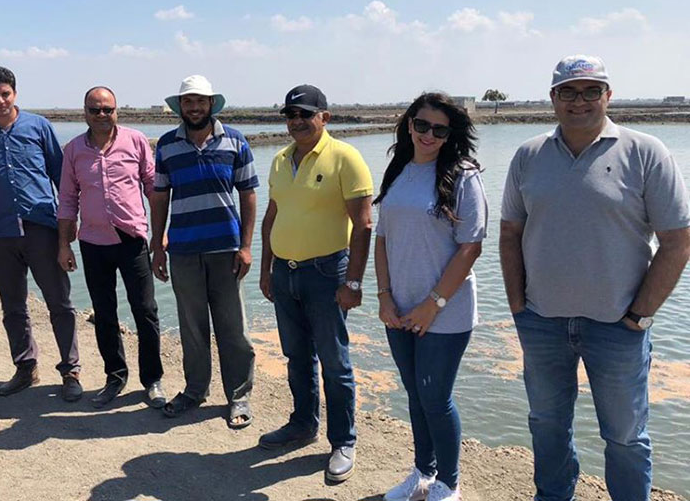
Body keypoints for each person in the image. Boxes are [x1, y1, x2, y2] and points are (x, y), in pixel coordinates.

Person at [499, 55, 690, 501]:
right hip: (542, 323)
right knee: (547, 424)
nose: (579, 101)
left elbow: (678, 241)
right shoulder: (529, 155)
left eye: (591, 90)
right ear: (553, 98)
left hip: (618, 327)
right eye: (568, 91)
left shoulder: (646, 152)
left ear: (608, 95)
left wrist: (640, 315)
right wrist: (518, 306)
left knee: (625, 436)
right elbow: (509, 233)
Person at [374, 93, 487, 501]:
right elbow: (382, 238)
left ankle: (448, 484)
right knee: (415, 394)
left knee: (435, 398)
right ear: (409, 124)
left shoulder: (463, 175)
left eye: (440, 130)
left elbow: (470, 247)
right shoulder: (399, 170)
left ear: (449, 135)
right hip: (399, 309)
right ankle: (423, 472)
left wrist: (432, 304)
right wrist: (384, 296)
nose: (429, 135)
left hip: (445, 312)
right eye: (422, 125)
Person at [258, 84, 373, 483]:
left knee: (334, 362)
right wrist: (266, 269)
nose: (297, 122)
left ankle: (343, 441)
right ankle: (302, 424)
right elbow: (272, 216)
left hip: (327, 273)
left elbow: (363, 225)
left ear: (325, 117)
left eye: (305, 114)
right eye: (290, 115)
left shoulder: (345, 157)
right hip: (284, 273)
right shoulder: (279, 160)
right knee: (296, 356)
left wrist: (353, 282)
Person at [0, 66, 82, 402]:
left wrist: (69, 223)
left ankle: (71, 370)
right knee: (13, 306)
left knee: (60, 302)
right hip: (0, 232)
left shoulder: (38, 126)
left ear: (15, 93)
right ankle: (25, 367)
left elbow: (63, 178)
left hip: (42, 228)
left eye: (5, 94)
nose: (0, 101)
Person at [150, 75, 258, 429]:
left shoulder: (235, 141)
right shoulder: (167, 145)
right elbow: (160, 197)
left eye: (200, 101)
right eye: (188, 101)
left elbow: (248, 194)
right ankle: (195, 390)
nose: (194, 107)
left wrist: (246, 246)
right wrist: (157, 244)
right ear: (179, 106)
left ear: (211, 104)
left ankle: (238, 395)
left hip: (226, 249)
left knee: (233, 328)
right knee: (192, 328)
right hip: (183, 250)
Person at [57, 86, 165, 409]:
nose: (102, 115)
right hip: (93, 243)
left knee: (145, 311)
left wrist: (160, 234)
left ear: (117, 110)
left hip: (132, 240)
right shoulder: (74, 150)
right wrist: (64, 245)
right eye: (95, 110)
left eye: (108, 109)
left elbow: (154, 189)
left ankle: (152, 380)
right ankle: (115, 376)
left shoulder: (136, 141)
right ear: (85, 113)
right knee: (104, 314)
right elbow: (67, 199)